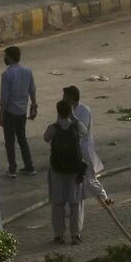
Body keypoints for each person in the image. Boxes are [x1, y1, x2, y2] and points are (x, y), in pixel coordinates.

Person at [42, 99, 87, 246]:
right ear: (71, 111)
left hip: (57, 171)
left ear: (57, 111)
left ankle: (59, 235)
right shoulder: (77, 126)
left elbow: (46, 138)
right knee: (75, 203)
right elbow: (85, 132)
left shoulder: (53, 128)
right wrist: (74, 118)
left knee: (58, 204)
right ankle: (75, 235)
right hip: (74, 170)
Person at [60, 85, 110, 204]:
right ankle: (71, 203)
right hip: (72, 149)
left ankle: (104, 198)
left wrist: (72, 117)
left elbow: (82, 131)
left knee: (89, 177)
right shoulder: (65, 109)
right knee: (72, 178)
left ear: (72, 98)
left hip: (84, 149)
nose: (63, 98)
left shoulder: (84, 110)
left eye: (65, 96)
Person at [0, 46, 36, 176]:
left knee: (10, 141)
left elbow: (5, 98)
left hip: (10, 112)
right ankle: (29, 165)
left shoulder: (7, 74)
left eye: (6, 56)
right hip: (22, 111)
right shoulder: (27, 71)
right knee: (22, 139)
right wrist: (34, 105)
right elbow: (32, 89)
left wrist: (1, 114)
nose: (5, 58)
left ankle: (12, 168)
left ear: (10, 57)